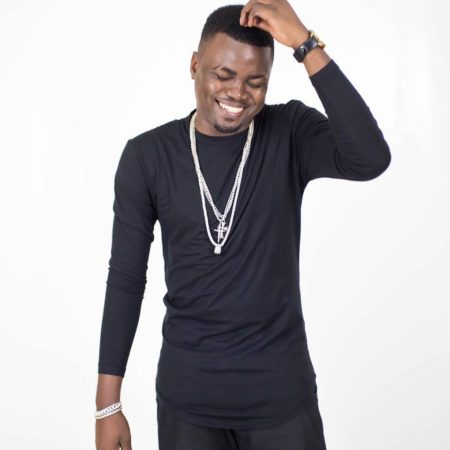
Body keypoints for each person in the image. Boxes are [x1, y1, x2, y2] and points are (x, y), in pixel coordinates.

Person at [95, 1, 391, 449]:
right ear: (194, 66)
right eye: (224, 75)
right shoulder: (147, 157)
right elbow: (125, 279)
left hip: (282, 402)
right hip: (187, 405)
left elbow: (370, 158)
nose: (238, 93)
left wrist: (305, 43)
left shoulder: (290, 131)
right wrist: (107, 404)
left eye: (256, 82)